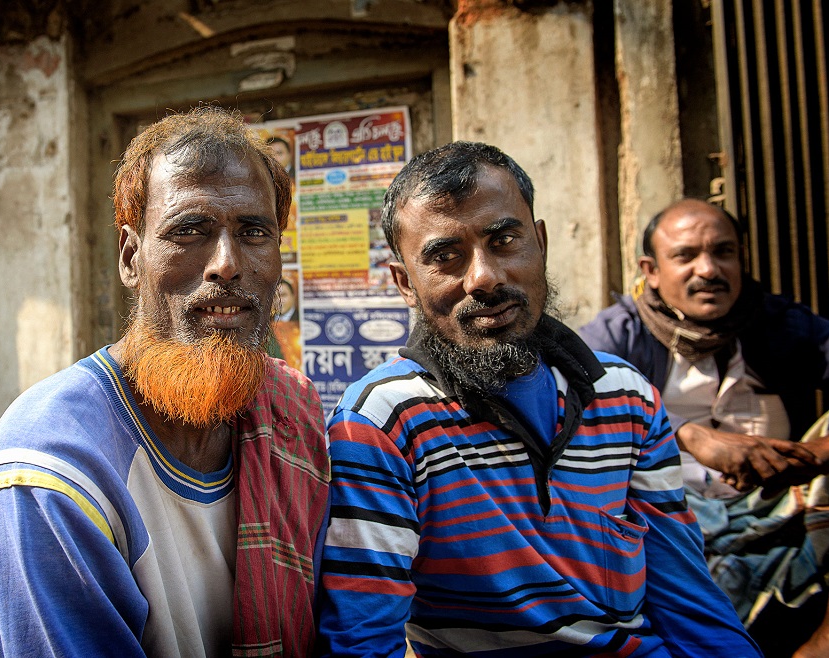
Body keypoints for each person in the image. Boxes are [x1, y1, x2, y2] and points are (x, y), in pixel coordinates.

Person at [315, 142, 761, 656]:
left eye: (504, 240)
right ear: (405, 284)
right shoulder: (381, 422)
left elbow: (691, 607)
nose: (484, 277)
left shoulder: (628, 397)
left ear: (541, 242)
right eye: (445, 257)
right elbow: (362, 640)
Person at [0, 107, 330, 657]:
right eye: (189, 231)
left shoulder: (292, 411)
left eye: (254, 232)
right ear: (130, 255)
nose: (226, 263)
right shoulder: (50, 471)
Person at [579, 198, 829, 657]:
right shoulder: (617, 336)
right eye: (686, 256)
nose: (709, 270)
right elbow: (567, 415)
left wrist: (812, 457)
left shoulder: (781, 326)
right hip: (665, 522)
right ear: (650, 270)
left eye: (724, 252)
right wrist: (686, 437)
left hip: (777, 512)